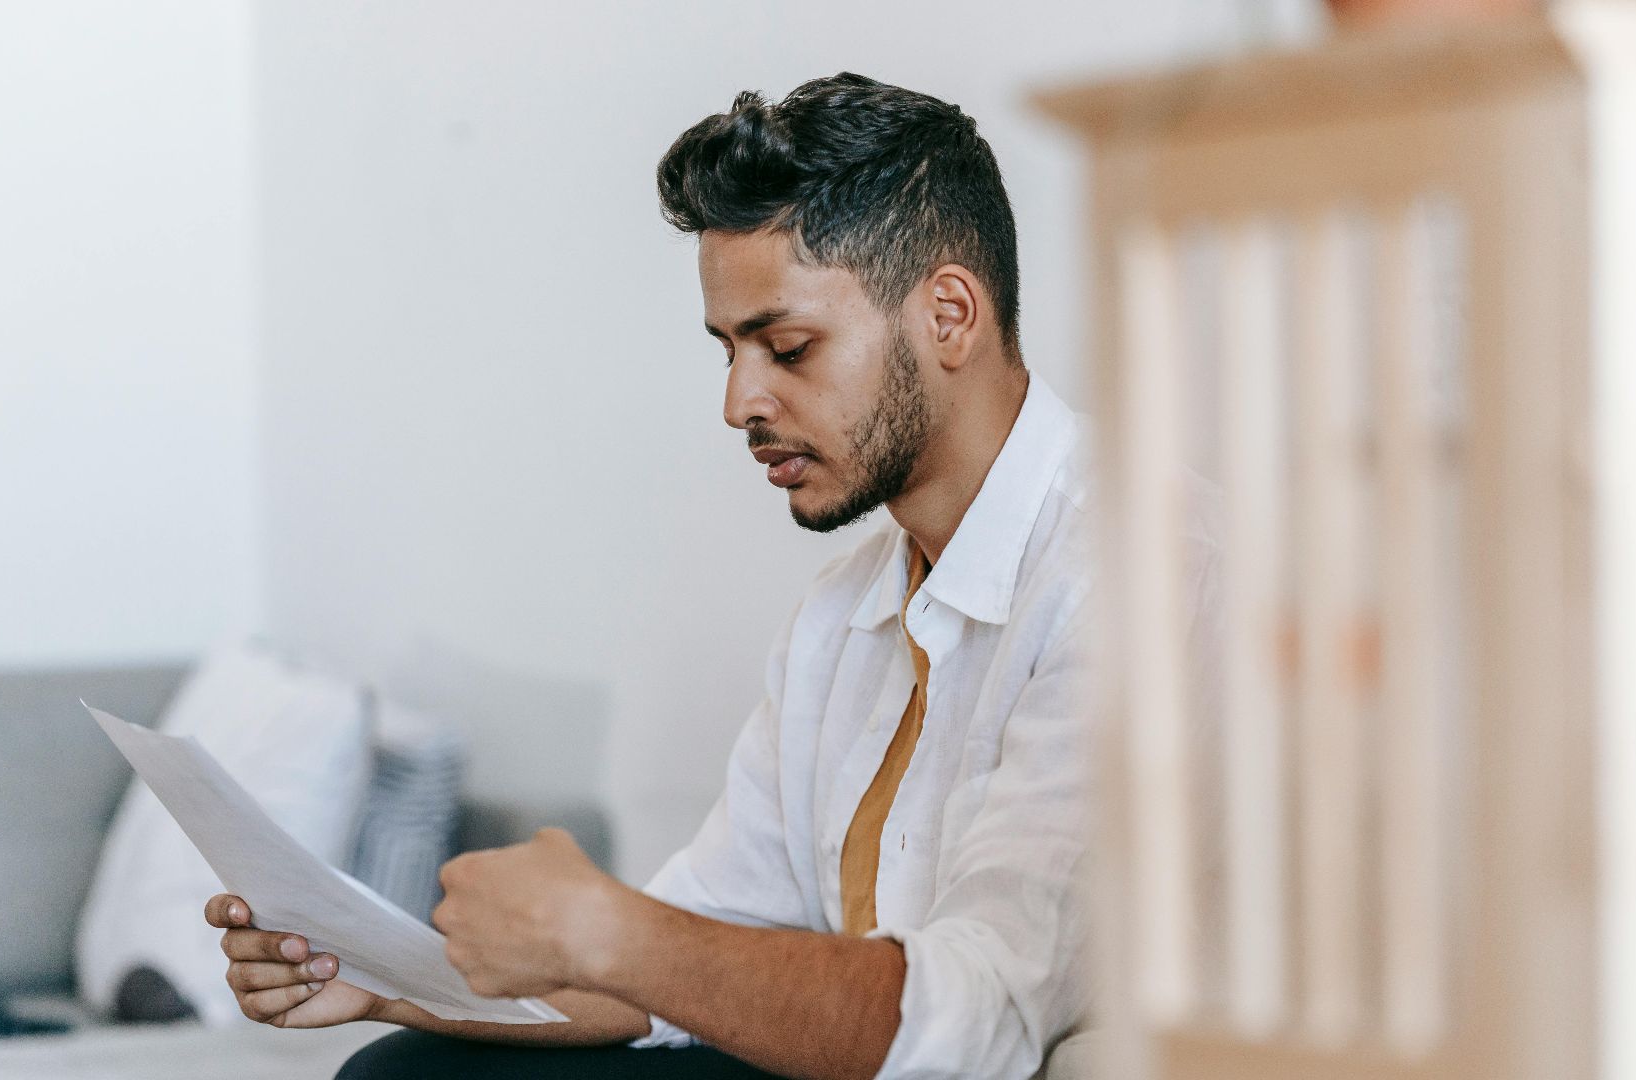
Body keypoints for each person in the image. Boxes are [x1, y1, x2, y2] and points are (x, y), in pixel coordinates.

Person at [207, 71, 1191, 1079]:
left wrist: (617, 932)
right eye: (729, 351)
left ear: (948, 315)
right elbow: (700, 939)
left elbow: (977, 1023)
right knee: (406, 1073)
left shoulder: (1130, 577)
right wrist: (383, 978)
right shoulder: (842, 616)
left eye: (788, 347)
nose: (739, 402)